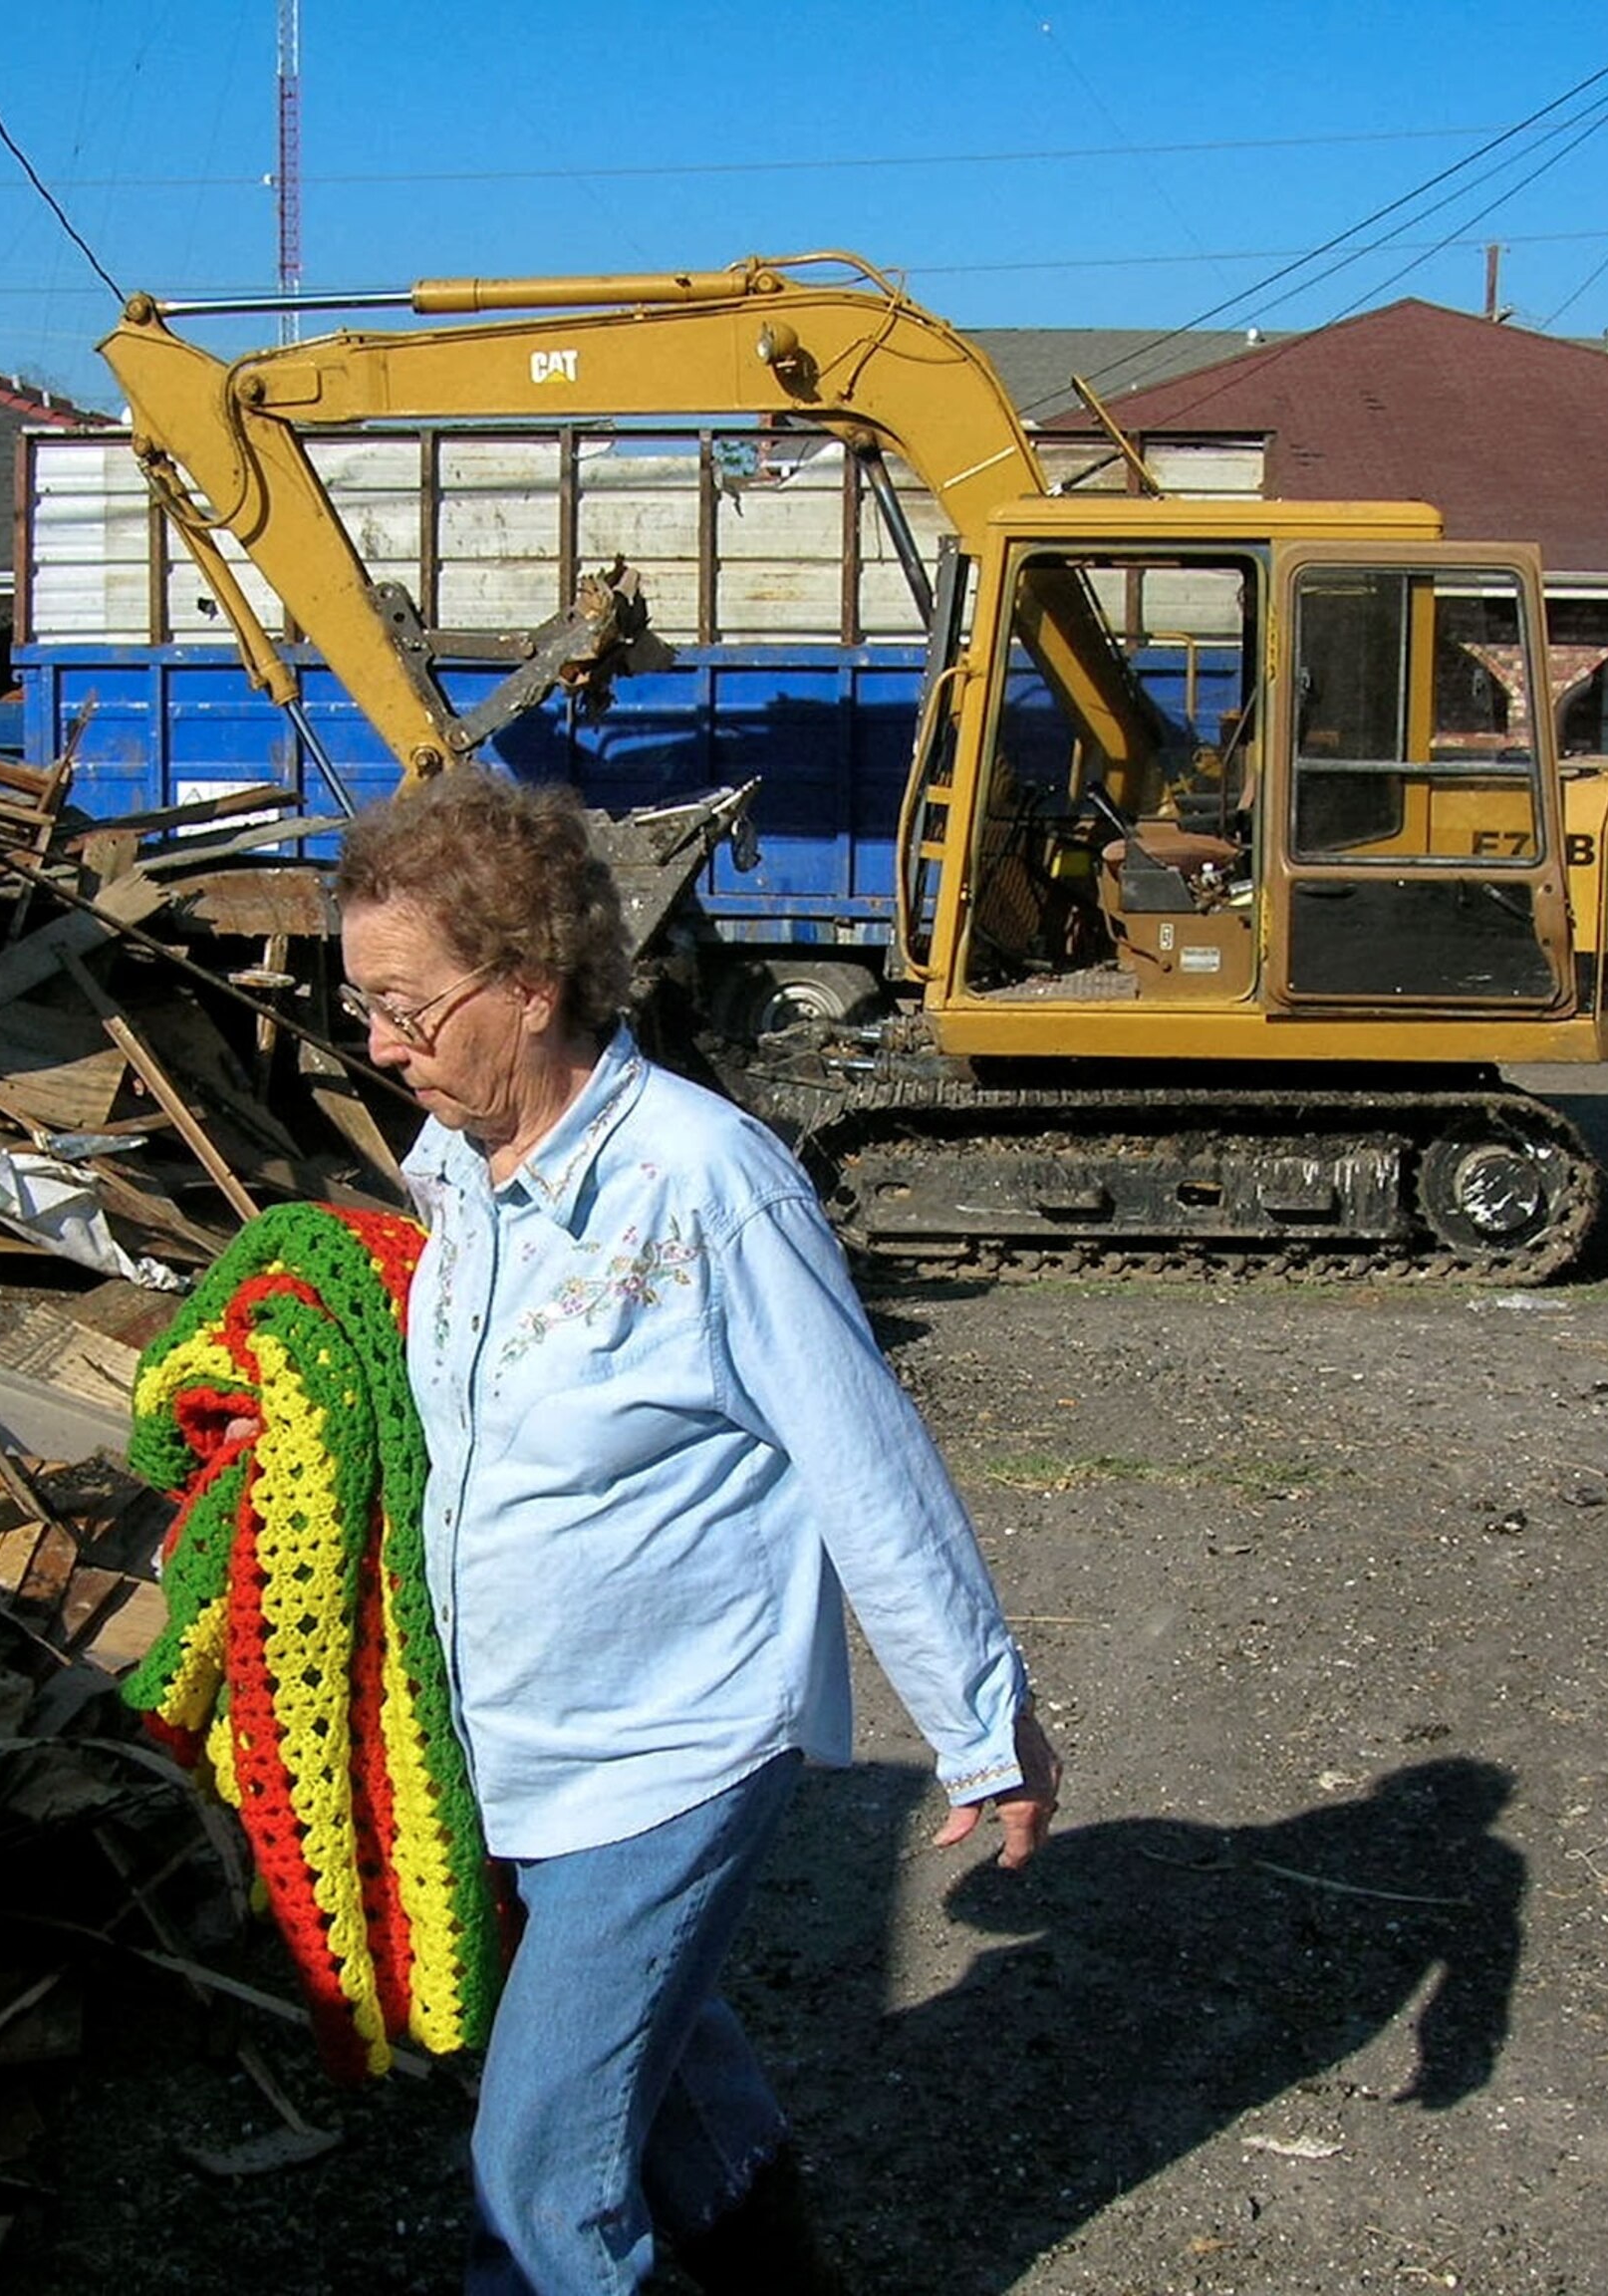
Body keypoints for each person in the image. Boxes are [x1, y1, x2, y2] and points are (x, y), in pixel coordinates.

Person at [331, 769, 1062, 2296]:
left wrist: (984, 1724)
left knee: (537, 2178)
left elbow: (871, 1469)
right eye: (364, 1005)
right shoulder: (453, 1165)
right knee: (658, 2072)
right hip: (513, 1740)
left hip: (665, 1752)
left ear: (530, 989)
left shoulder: (710, 1189)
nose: (381, 1046)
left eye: (408, 1007)